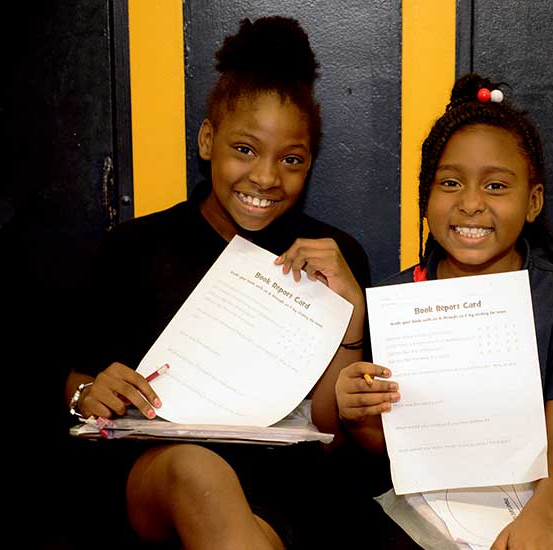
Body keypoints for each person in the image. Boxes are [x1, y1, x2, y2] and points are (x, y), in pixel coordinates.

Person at [64, 16, 369, 549]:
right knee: (199, 474)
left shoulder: (331, 259)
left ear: (310, 165)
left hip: (283, 484)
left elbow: (330, 432)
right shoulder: (135, 247)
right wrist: (90, 392)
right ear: (208, 140)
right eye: (245, 150)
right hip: (160, 474)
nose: (266, 178)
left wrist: (351, 314)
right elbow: (78, 382)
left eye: (291, 160)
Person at [335, 73, 553, 550]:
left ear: (533, 201)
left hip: (532, 506)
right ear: (426, 198)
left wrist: (539, 519)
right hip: (419, 517)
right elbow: (388, 446)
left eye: (497, 186)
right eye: (450, 183)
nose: (471, 203)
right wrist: (357, 415)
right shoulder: (394, 302)